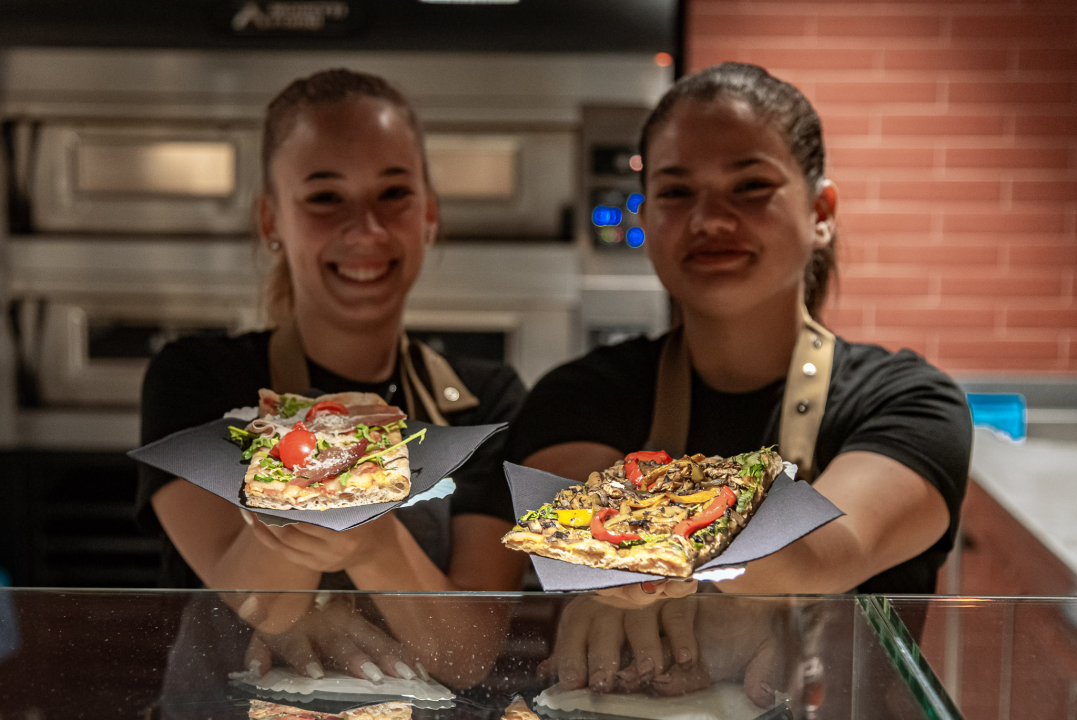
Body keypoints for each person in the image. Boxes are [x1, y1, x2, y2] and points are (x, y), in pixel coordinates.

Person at [506, 62, 972, 695]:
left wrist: (648, 589)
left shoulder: (909, 403)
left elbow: (826, 555)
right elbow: (589, 538)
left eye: (750, 187)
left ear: (821, 212)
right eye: (676, 192)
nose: (710, 220)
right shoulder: (580, 394)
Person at [135, 69, 528, 684]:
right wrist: (334, 473)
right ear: (271, 220)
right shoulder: (197, 379)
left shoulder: (483, 401)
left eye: (393, 194)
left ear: (430, 214)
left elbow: (468, 656)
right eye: (324, 197)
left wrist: (370, 541)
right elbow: (264, 603)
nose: (365, 228)